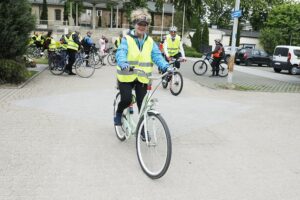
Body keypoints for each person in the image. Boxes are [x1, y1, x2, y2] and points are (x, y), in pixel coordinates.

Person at [114, 8, 170, 131]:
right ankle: (118, 113)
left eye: (145, 25)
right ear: (135, 24)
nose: (142, 27)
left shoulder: (150, 41)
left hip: (142, 77)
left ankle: (142, 130)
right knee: (126, 99)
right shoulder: (127, 39)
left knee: (143, 105)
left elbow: (156, 56)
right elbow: (121, 52)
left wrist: (166, 66)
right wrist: (123, 62)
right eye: (140, 24)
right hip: (126, 75)